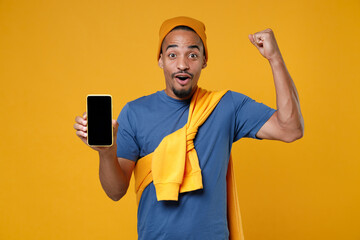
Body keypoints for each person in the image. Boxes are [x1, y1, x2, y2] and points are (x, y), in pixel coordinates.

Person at [74, 16, 304, 240]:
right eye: (173, 54)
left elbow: (290, 128)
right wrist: (106, 152)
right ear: (161, 59)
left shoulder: (227, 106)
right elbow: (115, 192)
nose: (182, 64)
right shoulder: (135, 113)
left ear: (204, 60)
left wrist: (275, 59)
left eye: (192, 55)